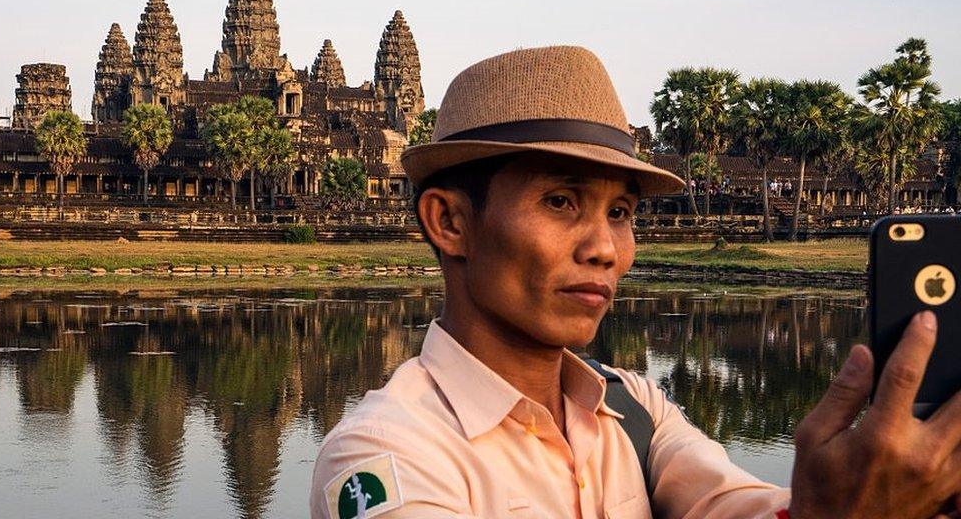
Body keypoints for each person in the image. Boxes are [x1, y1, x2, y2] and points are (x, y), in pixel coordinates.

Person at [309, 46, 961, 519]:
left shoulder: (631, 409)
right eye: (561, 202)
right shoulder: (385, 457)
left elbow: (748, 509)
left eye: (620, 213)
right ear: (451, 221)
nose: (604, 249)